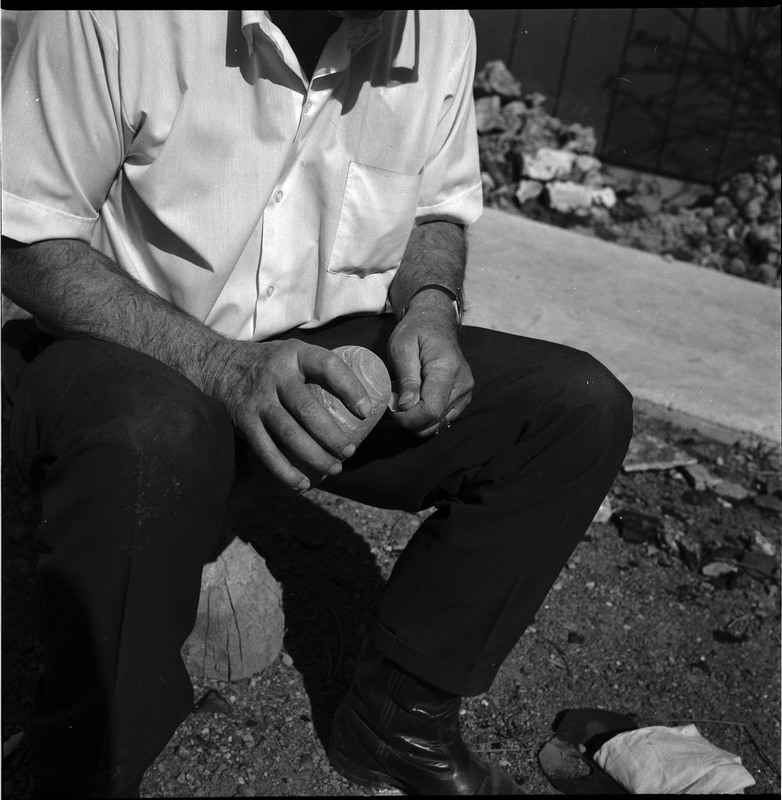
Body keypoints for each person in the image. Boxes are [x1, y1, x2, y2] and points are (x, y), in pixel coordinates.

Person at [1, 10, 633, 798]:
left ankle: (397, 721)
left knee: (574, 409)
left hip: (321, 352)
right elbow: (26, 241)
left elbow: (435, 209)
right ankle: (83, 768)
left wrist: (431, 304)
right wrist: (222, 367)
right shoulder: (113, 17)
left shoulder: (435, 27)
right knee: (153, 433)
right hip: (125, 348)